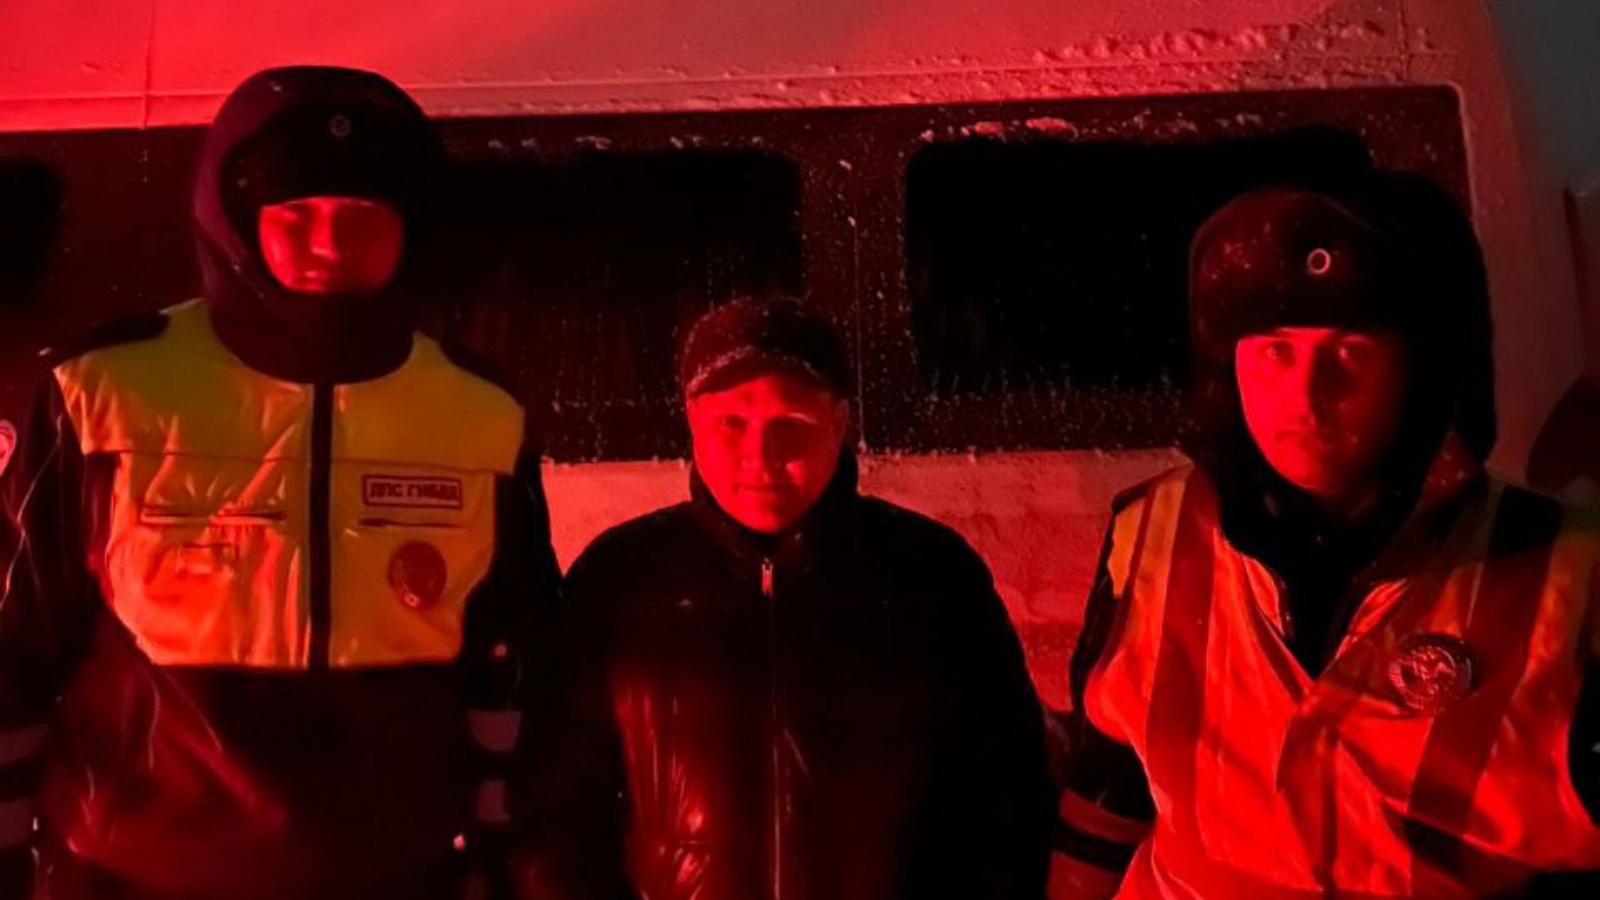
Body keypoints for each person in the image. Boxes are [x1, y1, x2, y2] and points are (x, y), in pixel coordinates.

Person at [0, 66, 559, 900]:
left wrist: (499, 852)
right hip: (134, 878)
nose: (329, 244)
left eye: (360, 219)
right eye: (296, 219)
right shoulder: (104, 391)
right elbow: (14, 647)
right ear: (234, 225)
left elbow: (513, 658)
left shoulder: (480, 413)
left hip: (400, 880)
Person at [1053, 172, 1600, 898]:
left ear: (1423, 369)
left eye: (1348, 353)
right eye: (1274, 351)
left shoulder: (1569, 571)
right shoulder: (1151, 529)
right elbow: (1110, 779)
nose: (1306, 395)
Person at [515, 296, 1053, 900]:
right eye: (731, 424)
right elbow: (554, 815)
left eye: (790, 424)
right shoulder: (621, 580)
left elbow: (1007, 806)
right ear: (691, 419)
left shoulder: (933, 576)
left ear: (840, 423)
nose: (761, 458)